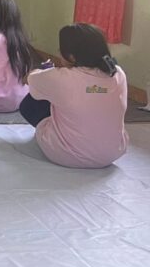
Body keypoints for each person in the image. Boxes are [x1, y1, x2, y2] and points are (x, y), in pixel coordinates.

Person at [20, 24, 128, 168]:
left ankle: (57, 136)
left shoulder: (62, 78)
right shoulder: (118, 73)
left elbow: (29, 79)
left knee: (31, 101)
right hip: (112, 153)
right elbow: (94, 90)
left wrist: (47, 71)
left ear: (71, 57)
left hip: (69, 155)